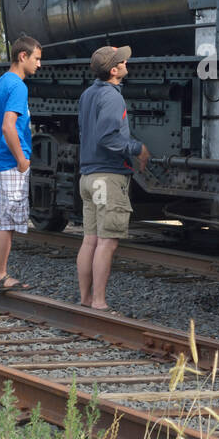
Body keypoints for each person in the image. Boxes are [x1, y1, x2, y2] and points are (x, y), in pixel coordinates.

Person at [76, 45, 150, 312]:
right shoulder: (112, 97)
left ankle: (85, 298)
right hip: (107, 177)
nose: (127, 62)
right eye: (123, 61)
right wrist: (136, 148)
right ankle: (99, 301)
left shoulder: (87, 95)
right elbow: (107, 137)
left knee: (90, 240)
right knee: (107, 242)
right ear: (114, 70)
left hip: (88, 177)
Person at [0, 35, 42, 291]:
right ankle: (0, 276)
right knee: (7, 222)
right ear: (23, 56)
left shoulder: (0, 83)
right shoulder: (18, 86)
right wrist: (22, 159)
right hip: (10, 163)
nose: (39, 65)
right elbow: (8, 126)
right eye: (37, 59)